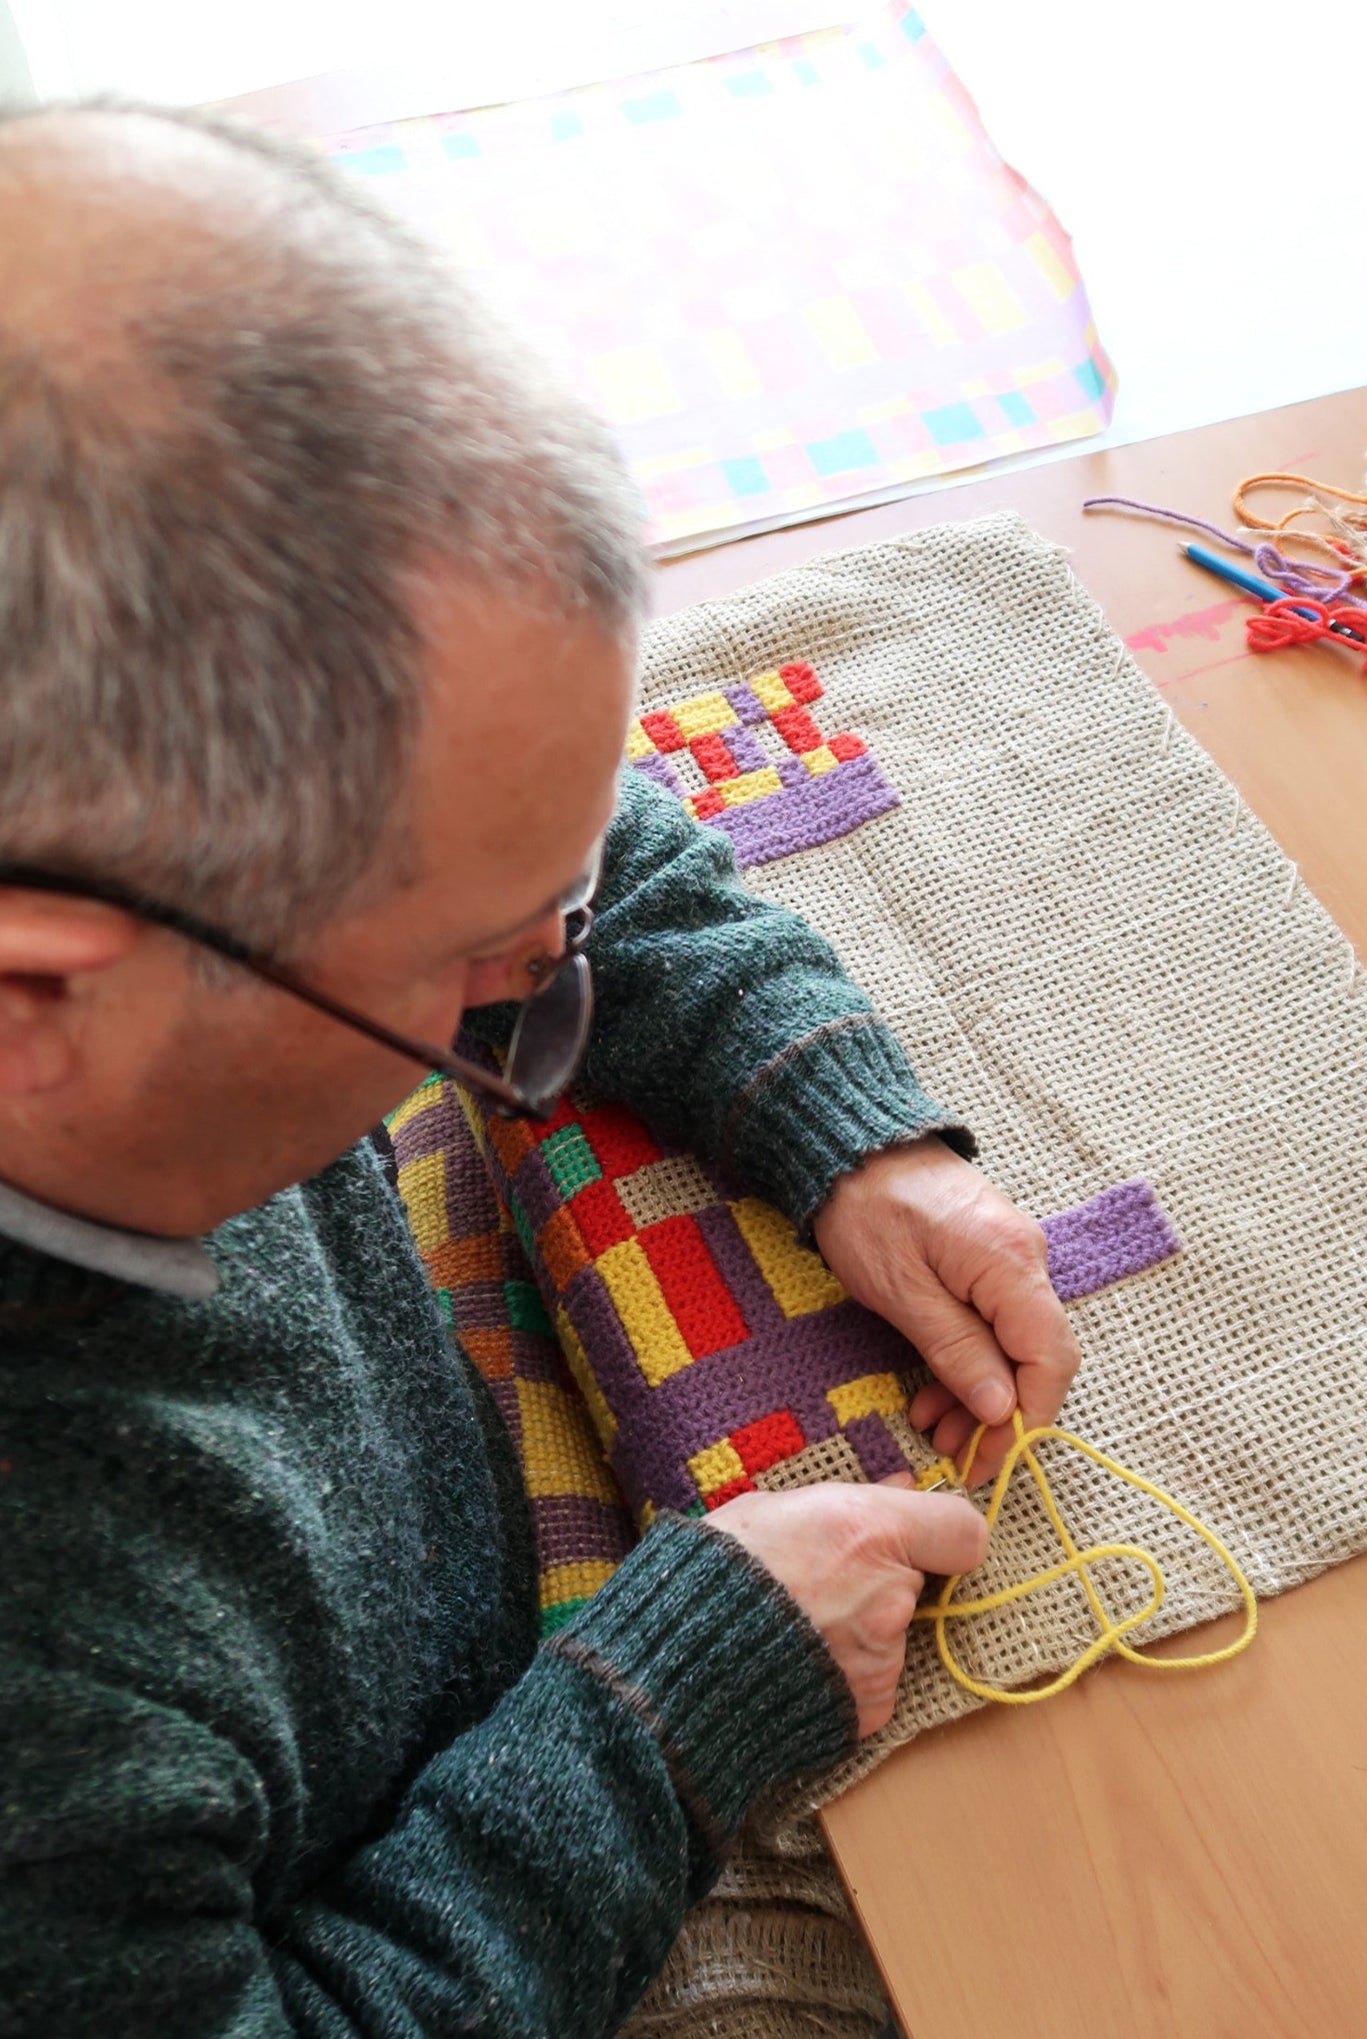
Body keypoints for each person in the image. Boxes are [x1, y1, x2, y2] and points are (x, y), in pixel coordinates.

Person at [0, 101, 1080, 2036]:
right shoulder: (51, 1691)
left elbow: (517, 826)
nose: (533, 981)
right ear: (36, 998)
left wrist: (837, 1119)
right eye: (477, 971)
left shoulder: (150, 821)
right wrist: (656, 1730)